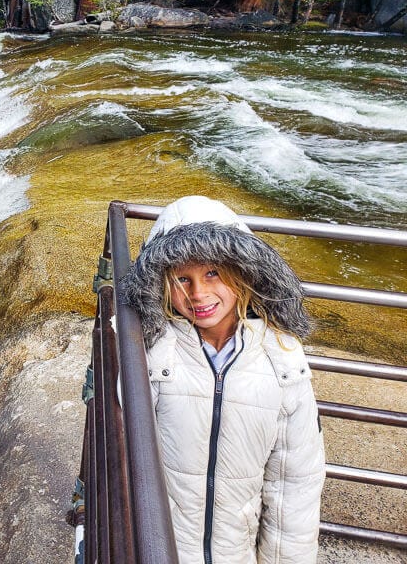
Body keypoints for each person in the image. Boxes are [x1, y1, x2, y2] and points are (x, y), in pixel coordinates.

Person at [121, 195, 325, 564]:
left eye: (212, 273)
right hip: (160, 550)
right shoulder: (154, 354)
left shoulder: (283, 361)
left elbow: (295, 484)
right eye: (182, 278)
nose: (198, 294)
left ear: (242, 271)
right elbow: (122, 441)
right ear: (161, 283)